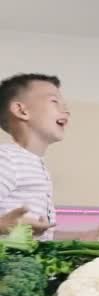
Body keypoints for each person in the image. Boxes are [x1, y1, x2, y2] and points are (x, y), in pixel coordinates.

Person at [0, 73, 70, 240]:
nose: (66, 110)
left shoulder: (35, 165)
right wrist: (2, 225)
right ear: (21, 110)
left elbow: (43, 237)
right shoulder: (7, 159)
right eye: (54, 101)